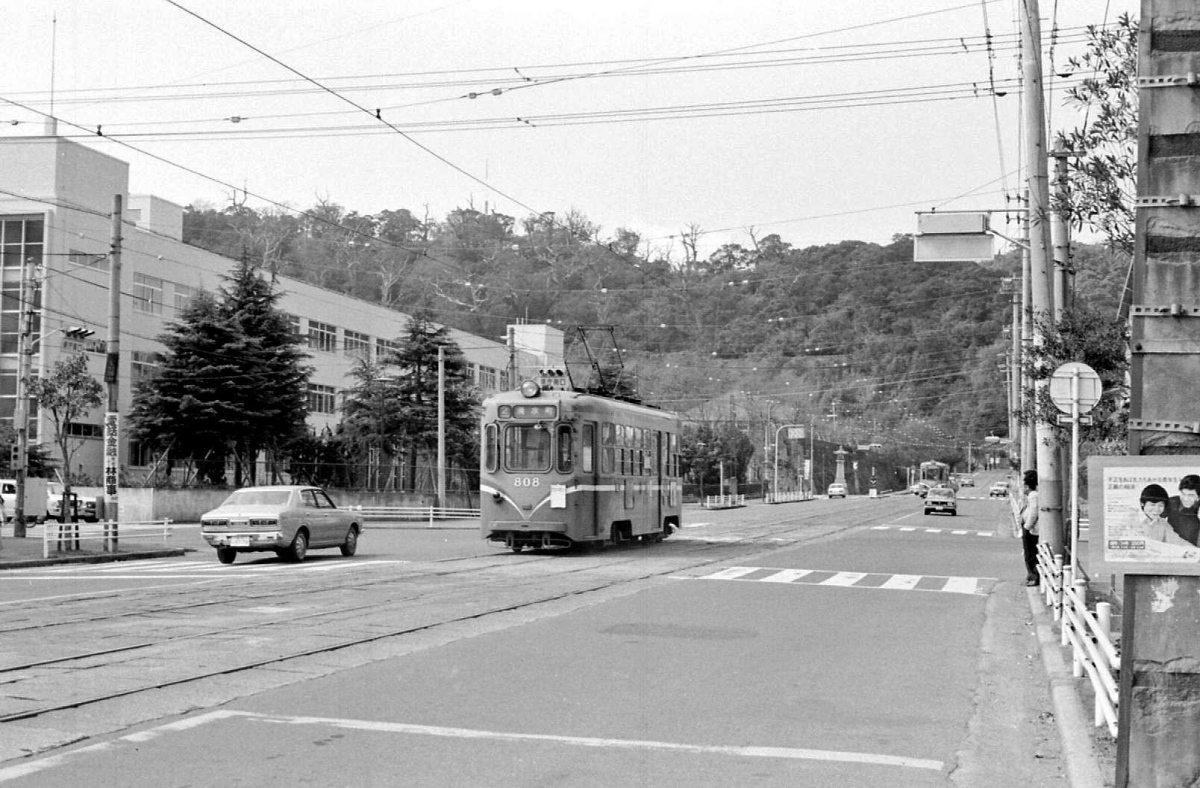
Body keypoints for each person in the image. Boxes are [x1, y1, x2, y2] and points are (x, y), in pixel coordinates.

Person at [1131, 483, 1200, 560]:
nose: (1156, 509)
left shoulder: (1162, 524)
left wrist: (1196, 551)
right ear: (1142, 504)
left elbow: (1177, 541)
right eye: (1152, 505)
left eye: (1160, 505)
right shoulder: (1132, 519)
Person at [1166, 475, 1200, 546]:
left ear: (1198, 497)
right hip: (1172, 547)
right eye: (1183, 494)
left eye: (1191, 495)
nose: (1185, 499)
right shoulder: (1172, 502)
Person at [1019, 470, 1039, 586]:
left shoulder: (1033, 496)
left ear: (1027, 486)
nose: (1023, 488)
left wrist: (1027, 527)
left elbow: (1033, 513)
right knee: (1029, 554)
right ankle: (1031, 575)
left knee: (1030, 554)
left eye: (1024, 486)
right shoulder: (1032, 496)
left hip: (1031, 530)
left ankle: (1033, 576)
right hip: (1030, 528)